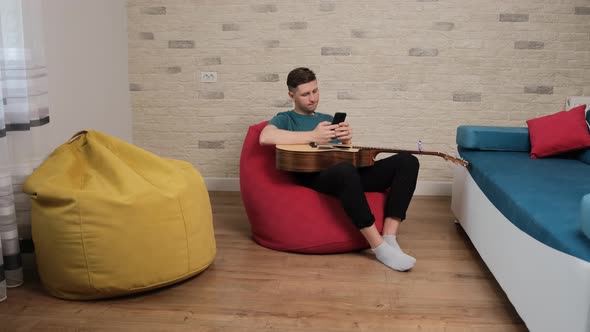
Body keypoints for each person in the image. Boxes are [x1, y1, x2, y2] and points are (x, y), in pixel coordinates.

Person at [259, 67, 420, 272]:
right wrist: (312, 136)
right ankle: (378, 247)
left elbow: (340, 153)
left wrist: (347, 140)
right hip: (315, 176)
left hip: (345, 173)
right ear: (291, 95)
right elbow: (265, 137)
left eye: (315, 91)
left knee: (407, 161)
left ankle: (390, 237)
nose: (313, 98)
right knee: (344, 170)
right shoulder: (285, 118)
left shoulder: (327, 118)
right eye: (305, 94)